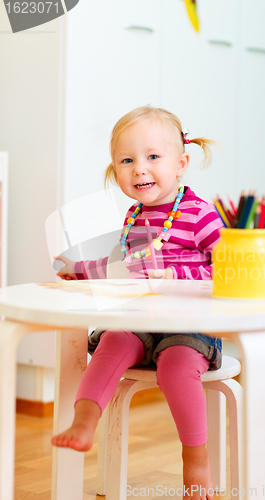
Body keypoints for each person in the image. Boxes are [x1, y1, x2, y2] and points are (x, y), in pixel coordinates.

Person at [51, 106, 223, 500]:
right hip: (138, 321)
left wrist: (178, 277)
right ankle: (84, 422)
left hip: (189, 329)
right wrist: (77, 269)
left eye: (152, 158)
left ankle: (196, 463)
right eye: (126, 161)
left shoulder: (200, 215)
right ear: (116, 171)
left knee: (176, 370)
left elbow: (229, 272)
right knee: (111, 343)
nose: (139, 169)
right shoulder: (134, 217)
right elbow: (120, 267)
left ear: (181, 164)